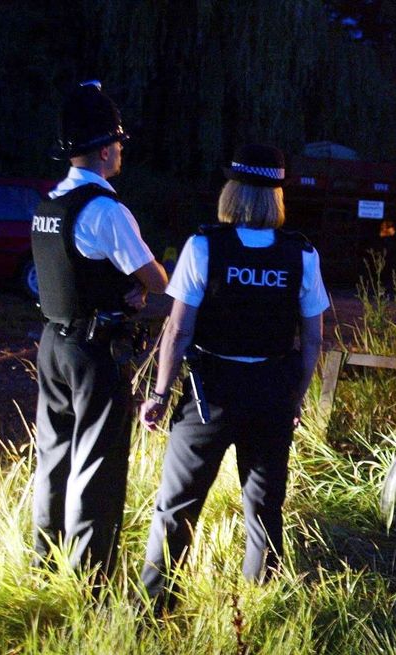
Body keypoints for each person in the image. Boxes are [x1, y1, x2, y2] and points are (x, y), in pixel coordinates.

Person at [138, 143, 327, 612]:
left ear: (233, 193)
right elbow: (314, 339)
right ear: (275, 198)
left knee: (177, 506)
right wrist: (295, 398)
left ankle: (155, 608)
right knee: (264, 508)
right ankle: (258, 606)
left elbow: (178, 329)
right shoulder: (301, 254)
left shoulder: (204, 246)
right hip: (271, 393)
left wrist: (160, 393)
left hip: (209, 395)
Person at [31, 81, 168, 580]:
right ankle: (90, 577)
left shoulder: (50, 205)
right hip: (94, 350)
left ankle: (44, 562)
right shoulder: (107, 210)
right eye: (119, 146)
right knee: (98, 463)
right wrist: (141, 288)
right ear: (107, 149)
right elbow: (153, 276)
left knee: (54, 456)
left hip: (52, 341)